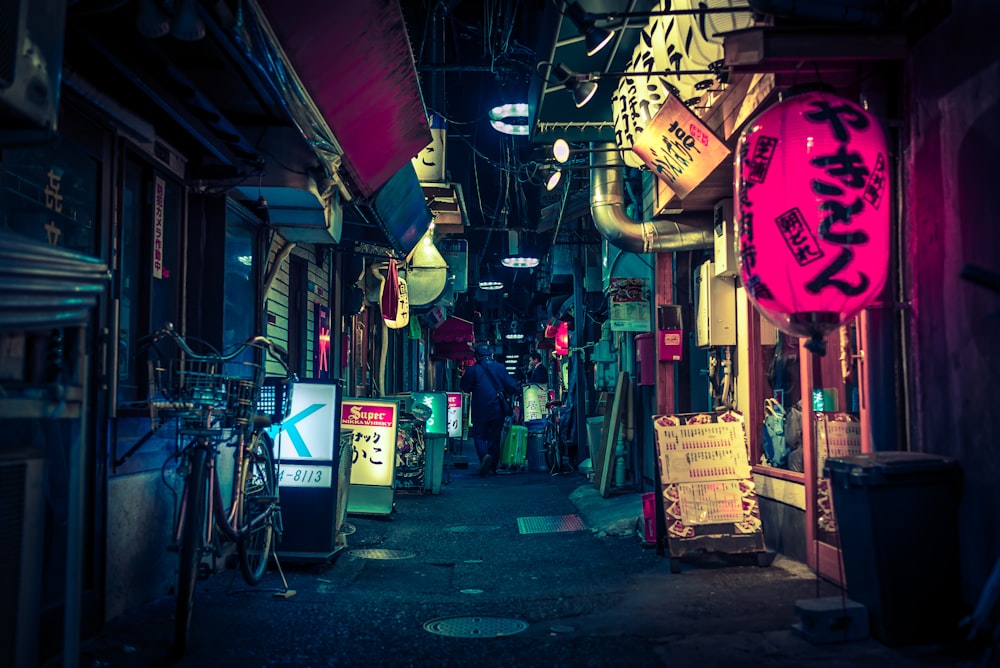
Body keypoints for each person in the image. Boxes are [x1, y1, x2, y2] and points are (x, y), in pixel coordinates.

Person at [459, 343, 519, 476]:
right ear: (491, 354)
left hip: (480, 409)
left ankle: (484, 456)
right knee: (494, 438)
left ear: (477, 356)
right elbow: (512, 386)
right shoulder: (500, 367)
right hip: (497, 408)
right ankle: (492, 467)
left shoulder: (473, 370)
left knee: (479, 435)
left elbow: (465, 387)